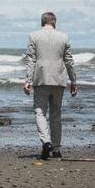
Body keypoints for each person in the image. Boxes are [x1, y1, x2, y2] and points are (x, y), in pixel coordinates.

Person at [23, 11, 77, 160]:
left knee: (40, 112)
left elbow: (31, 60)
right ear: (54, 22)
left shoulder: (34, 36)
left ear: (42, 22)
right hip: (59, 79)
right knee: (56, 114)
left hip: (41, 78)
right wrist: (73, 81)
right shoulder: (63, 37)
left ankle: (46, 141)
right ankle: (57, 148)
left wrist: (27, 80)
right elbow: (69, 61)